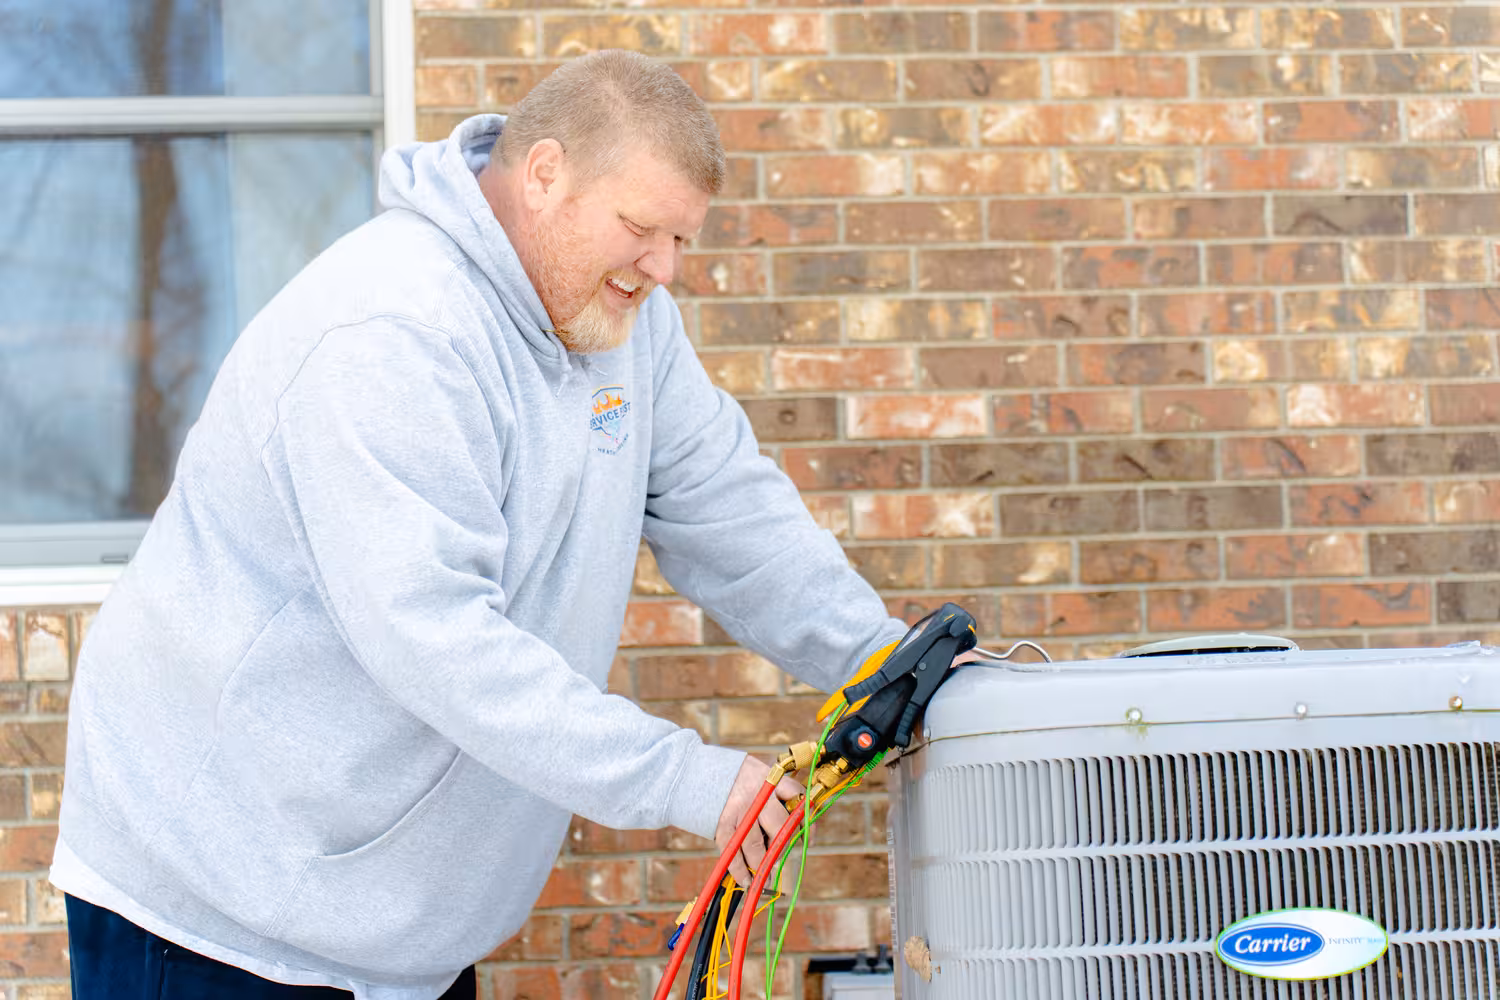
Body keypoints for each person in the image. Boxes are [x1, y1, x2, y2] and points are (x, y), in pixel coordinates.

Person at [52, 50, 916, 999]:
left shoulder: (621, 318)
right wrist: (687, 782)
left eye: (680, 239)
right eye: (640, 229)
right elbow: (435, 637)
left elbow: (726, 502)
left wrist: (882, 666)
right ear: (544, 175)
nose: (663, 269)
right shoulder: (394, 332)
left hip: (402, 930)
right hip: (224, 904)